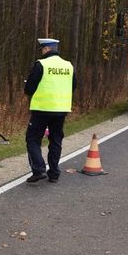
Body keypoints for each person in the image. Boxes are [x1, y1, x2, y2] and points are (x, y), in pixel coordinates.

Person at [24, 38, 75, 183]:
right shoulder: (68, 65)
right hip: (61, 109)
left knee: (32, 139)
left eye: (42, 49)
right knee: (56, 140)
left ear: (46, 49)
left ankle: (39, 170)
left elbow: (29, 89)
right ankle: (54, 173)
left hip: (42, 109)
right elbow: (73, 86)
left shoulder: (41, 64)